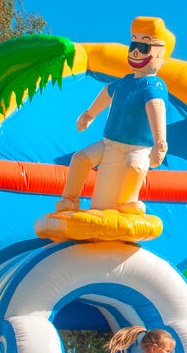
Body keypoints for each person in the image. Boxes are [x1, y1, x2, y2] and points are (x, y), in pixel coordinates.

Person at [56, 16, 172, 215]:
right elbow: (108, 93)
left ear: (160, 52)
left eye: (144, 47)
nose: (136, 51)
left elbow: (156, 107)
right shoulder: (125, 81)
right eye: (133, 44)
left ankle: (127, 203)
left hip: (138, 147)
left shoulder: (154, 86)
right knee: (80, 158)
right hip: (110, 144)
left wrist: (160, 142)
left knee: (135, 168)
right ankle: (69, 200)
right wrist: (89, 114)